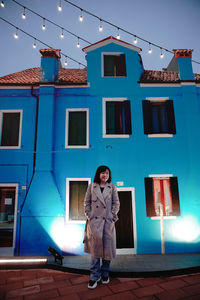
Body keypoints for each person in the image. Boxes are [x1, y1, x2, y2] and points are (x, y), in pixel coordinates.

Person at [83, 165, 120, 289]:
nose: (105, 175)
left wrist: (112, 216)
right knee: (95, 252)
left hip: (107, 223)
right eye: (103, 173)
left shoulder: (112, 187)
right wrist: (90, 216)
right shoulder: (91, 187)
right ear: (98, 174)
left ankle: (105, 274)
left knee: (107, 251)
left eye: (107, 173)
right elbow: (86, 203)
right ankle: (94, 276)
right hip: (95, 223)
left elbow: (116, 203)